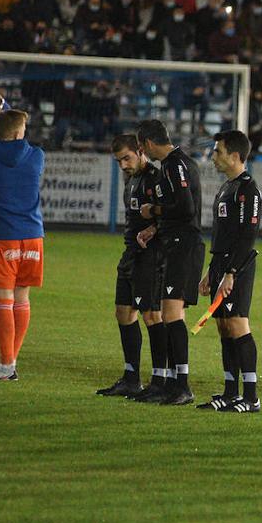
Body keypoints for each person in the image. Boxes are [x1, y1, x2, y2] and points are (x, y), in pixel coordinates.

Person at [135, 120, 205, 405]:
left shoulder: (175, 165)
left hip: (184, 247)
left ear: (149, 143)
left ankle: (182, 386)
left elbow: (186, 209)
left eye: (142, 146)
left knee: (172, 315)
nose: (142, 150)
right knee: (170, 314)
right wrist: (156, 227)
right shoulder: (172, 165)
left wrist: (153, 210)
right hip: (176, 244)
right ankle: (172, 383)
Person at [195, 130, 262, 413]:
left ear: (235, 156)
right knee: (223, 326)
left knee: (237, 324)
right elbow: (222, 232)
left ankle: (251, 397)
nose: (213, 157)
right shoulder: (227, 187)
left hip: (239, 264)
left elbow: (248, 234)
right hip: (221, 264)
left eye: (218, 151)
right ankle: (230, 392)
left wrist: (231, 271)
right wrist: (213, 270)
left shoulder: (248, 189)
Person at [96, 135, 161, 397]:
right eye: (119, 161)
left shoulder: (157, 179)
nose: (123, 164)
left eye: (127, 158)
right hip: (130, 254)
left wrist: (155, 227)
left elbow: (172, 213)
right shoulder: (131, 180)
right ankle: (131, 377)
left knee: (151, 316)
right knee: (123, 313)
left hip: (151, 255)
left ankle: (160, 379)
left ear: (140, 151)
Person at [0, 110, 44, 381]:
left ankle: (6, 365)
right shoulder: (37, 156)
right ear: (20, 132)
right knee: (22, 298)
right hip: (33, 235)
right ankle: (11, 362)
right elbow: (13, 136)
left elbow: (3, 137)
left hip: (2, 236)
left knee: (3, 298)